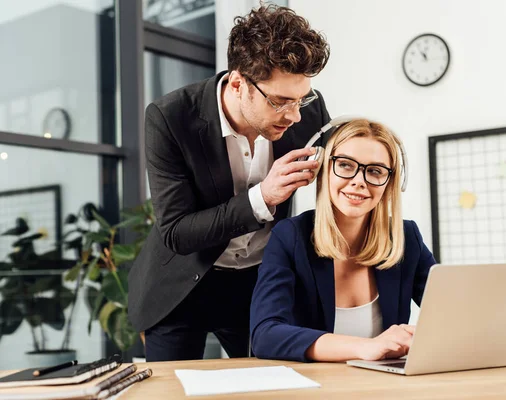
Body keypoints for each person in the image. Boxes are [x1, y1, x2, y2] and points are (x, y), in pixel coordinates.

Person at [128, 4, 331, 361]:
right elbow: (177, 231)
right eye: (280, 102)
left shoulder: (307, 111)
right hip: (181, 287)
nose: (295, 115)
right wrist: (263, 197)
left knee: (273, 387)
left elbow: (338, 182)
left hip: (260, 282)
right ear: (238, 83)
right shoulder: (170, 117)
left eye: (301, 99)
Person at [250, 119, 437, 362]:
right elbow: (265, 336)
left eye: (375, 171)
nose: (359, 180)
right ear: (324, 170)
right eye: (346, 165)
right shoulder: (290, 237)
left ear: (389, 183)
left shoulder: (405, 237)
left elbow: (451, 314)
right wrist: (365, 347)